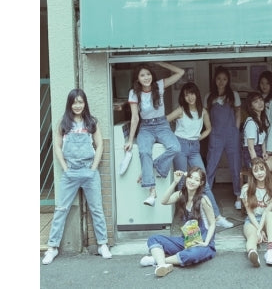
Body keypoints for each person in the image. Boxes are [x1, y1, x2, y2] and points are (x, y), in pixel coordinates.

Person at [42, 89, 112, 265]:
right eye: (74, 102)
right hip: (70, 172)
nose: (77, 105)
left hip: (89, 171)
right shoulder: (63, 123)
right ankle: (52, 247)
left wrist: (93, 168)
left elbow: (99, 145)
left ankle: (103, 244)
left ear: (85, 103)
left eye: (80, 102)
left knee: (96, 209)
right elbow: (57, 146)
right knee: (61, 209)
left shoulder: (91, 122)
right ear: (70, 104)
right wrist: (65, 167)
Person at [167, 82, 233, 229]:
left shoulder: (203, 112)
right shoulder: (181, 110)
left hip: (194, 148)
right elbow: (165, 121)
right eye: (186, 95)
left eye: (192, 93)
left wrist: (198, 138)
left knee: (204, 182)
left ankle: (217, 217)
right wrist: (171, 139)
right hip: (180, 146)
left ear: (197, 94)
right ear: (183, 97)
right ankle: (186, 217)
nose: (190, 97)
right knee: (182, 182)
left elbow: (208, 128)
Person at [124, 62, 184, 206]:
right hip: (145, 127)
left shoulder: (159, 85)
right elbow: (135, 118)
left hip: (162, 125)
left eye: (148, 74)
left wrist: (160, 62)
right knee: (144, 152)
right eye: (142, 75)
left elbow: (180, 72)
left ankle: (151, 167)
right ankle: (152, 192)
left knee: (176, 147)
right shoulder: (134, 92)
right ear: (137, 78)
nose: (146, 77)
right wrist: (130, 140)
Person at [139, 167, 216, 278]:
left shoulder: (203, 199)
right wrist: (175, 182)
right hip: (186, 241)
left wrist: (206, 242)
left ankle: (158, 261)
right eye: (190, 177)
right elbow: (164, 201)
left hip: (202, 243)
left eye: (196, 179)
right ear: (186, 178)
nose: (192, 181)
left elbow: (213, 223)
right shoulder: (181, 195)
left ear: (201, 183)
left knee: (192, 255)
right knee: (154, 238)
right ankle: (163, 266)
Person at [204, 66, 242, 210]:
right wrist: (210, 130)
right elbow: (205, 115)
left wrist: (236, 130)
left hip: (232, 133)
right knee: (211, 164)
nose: (221, 82)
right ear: (215, 80)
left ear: (228, 80)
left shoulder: (234, 95)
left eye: (224, 79)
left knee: (235, 164)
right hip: (215, 134)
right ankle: (205, 195)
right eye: (219, 79)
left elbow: (238, 112)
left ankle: (238, 195)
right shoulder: (209, 96)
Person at [240, 157, 272, 267]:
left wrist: (261, 229)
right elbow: (250, 213)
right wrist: (258, 230)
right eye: (256, 170)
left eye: (262, 169)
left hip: (269, 221)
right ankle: (252, 253)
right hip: (253, 220)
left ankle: (270, 252)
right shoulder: (246, 189)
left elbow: (266, 212)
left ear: (266, 169)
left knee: (270, 214)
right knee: (252, 236)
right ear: (252, 174)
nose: (259, 173)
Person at [242, 92, 272, 173]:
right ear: (251, 106)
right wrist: (256, 165)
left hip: (260, 154)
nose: (260, 103)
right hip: (252, 157)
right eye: (256, 102)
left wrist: (264, 152)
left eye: (261, 100)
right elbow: (250, 148)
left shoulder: (261, 120)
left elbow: (262, 141)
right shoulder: (251, 122)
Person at [257, 70, 272, 156]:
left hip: (268, 140)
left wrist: (270, 148)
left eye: (267, 83)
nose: (264, 86)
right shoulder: (257, 99)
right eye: (262, 83)